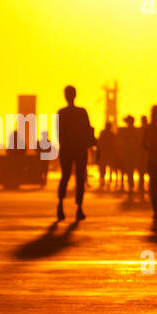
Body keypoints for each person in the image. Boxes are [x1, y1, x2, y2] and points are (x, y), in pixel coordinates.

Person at [56, 85, 94, 221]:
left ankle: (60, 205)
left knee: (65, 177)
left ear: (66, 96)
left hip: (67, 149)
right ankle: (79, 208)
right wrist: (93, 147)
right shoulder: (81, 112)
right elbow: (89, 130)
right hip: (79, 149)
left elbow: (58, 133)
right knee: (79, 178)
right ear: (75, 95)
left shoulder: (61, 113)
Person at [118, 114, 142, 200]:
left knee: (127, 170)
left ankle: (128, 186)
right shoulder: (135, 131)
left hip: (128, 153)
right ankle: (131, 186)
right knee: (130, 170)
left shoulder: (125, 131)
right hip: (131, 153)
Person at [97, 120, 118, 190]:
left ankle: (103, 181)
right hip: (108, 152)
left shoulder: (102, 133)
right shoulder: (112, 134)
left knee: (103, 168)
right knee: (109, 167)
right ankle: (108, 180)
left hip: (104, 152)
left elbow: (99, 142)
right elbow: (114, 144)